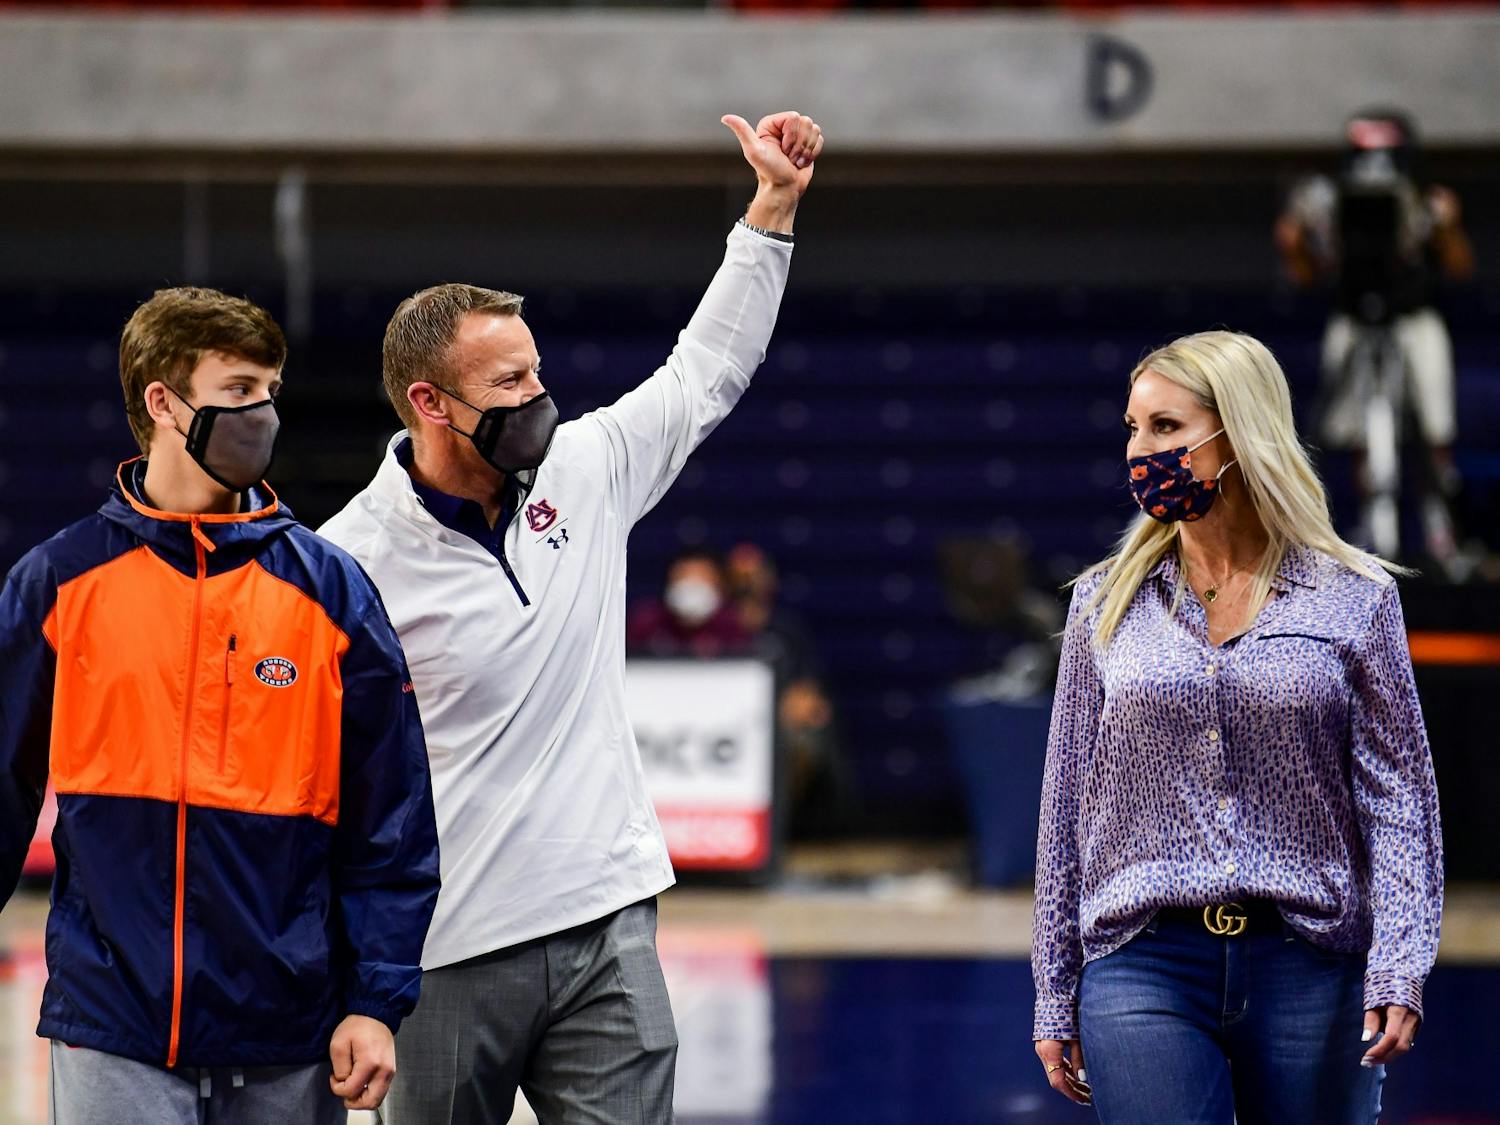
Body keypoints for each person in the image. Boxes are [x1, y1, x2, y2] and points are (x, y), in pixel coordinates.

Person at [318, 109, 823, 1123]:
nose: (540, 398)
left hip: (608, 921)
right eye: (510, 384)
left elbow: (703, 373)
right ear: (430, 402)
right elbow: (321, 777)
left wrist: (768, 213)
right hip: (442, 948)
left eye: (537, 371)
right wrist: (347, 978)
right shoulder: (345, 561)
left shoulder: (584, 471)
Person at [0, 287, 441, 1123]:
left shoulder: (334, 592)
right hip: (112, 1025)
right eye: (239, 390)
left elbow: (391, 821)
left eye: (270, 391)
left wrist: (376, 1001)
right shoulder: (58, 583)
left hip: (288, 1030)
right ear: (163, 402)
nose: (264, 414)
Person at [1031, 331, 1442, 1123]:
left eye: (1165, 428)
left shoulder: (1354, 597)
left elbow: (1401, 805)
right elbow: (1065, 808)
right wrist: (1054, 989)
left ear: (1238, 433)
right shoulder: (1103, 603)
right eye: (1132, 428)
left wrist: (1398, 964)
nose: (1138, 450)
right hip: (1142, 958)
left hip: (1309, 961)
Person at [1275, 108, 1475, 566]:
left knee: (1435, 427)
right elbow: (1306, 275)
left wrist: (1446, 227)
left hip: (1414, 318)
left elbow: (1460, 268)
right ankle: (1372, 522)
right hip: (1353, 318)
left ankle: (1440, 529)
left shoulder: (1426, 202)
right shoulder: (1330, 205)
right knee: (1360, 430)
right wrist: (1297, 242)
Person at [628, 546, 753, 658]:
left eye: (702, 578)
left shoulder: (733, 626)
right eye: (683, 577)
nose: (692, 587)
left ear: (720, 585)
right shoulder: (646, 624)